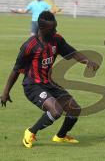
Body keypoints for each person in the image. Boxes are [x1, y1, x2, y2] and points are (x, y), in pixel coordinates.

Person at [0, 11, 99, 148]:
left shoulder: (56, 40)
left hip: (49, 83)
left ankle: (60, 136)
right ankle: (30, 132)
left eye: (55, 27)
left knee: (74, 109)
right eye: (52, 28)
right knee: (56, 110)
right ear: (42, 29)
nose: (55, 30)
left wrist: (87, 61)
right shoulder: (29, 45)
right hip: (33, 85)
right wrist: (6, 92)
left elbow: (73, 53)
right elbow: (16, 70)